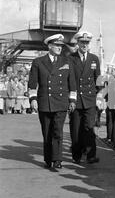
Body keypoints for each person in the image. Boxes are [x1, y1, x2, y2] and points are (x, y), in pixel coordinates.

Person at [28, 34, 77, 169]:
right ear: (49, 46)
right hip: (45, 102)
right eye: (56, 45)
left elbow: (72, 82)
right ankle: (48, 159)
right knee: (47, 132)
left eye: (61, 46)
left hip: (61, 102)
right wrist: (33, 99)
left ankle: (57, 160)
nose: (59, 48)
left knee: (58, 131)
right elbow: (32, 83)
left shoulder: (67, 61)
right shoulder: (38, 62)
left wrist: (72, 99)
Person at [69, 31, 101, 164]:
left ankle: (91, 155)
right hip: (76, 99)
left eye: (87, 43)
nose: (84, 45)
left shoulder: (94, 59)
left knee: (89, 127)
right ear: (78, 43)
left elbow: (98, 79)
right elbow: (68, 79)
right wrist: (70, 99)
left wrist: (99, 96)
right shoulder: (71, 58)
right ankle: (76, 155)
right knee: (76, 128)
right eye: (82, 42)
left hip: (89, 99)